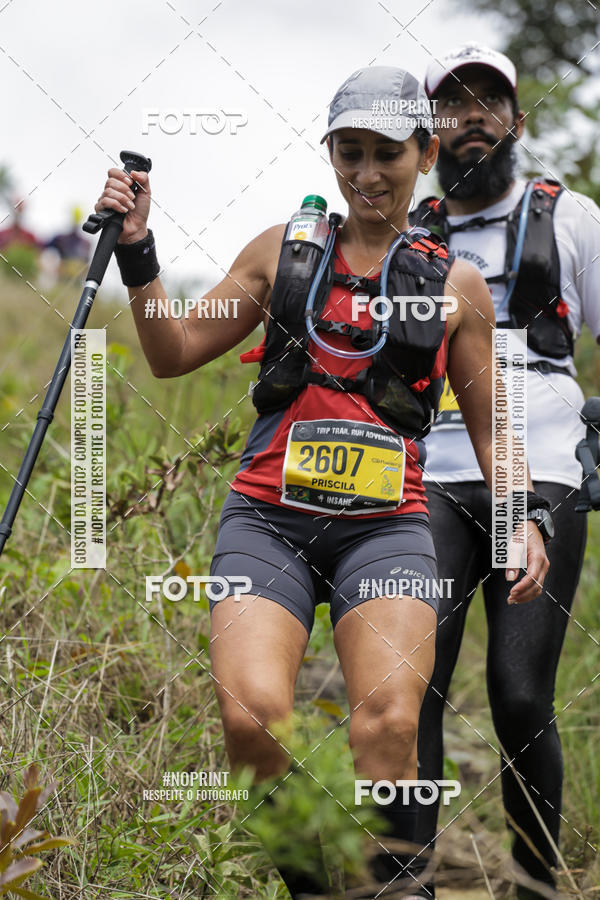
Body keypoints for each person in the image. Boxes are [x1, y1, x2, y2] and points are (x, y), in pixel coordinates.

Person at [95, 65, 549, 898]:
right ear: (329, 152)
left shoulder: (458, 288)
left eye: (388, 153)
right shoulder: (280, 254)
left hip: (387, 530)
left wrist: (521, 518)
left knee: (389, 722)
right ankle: (314, 887)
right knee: (252, 718)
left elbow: (492, 429)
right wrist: (138, 250)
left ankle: (395, 888)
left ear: (425, 151)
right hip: (266, 522)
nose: (369, 172)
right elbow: (170, 354)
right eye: (350, 152)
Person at [409, 42, 600, 899]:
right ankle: (402, 875)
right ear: (431, 129)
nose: (473, 115)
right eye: (453, 103)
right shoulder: (411, 233)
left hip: (546, 470)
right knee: (413, 686)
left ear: (516, 120)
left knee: (520, 696)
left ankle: (534, 884)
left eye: (490, 100)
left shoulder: (573, 218)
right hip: (433, 476)